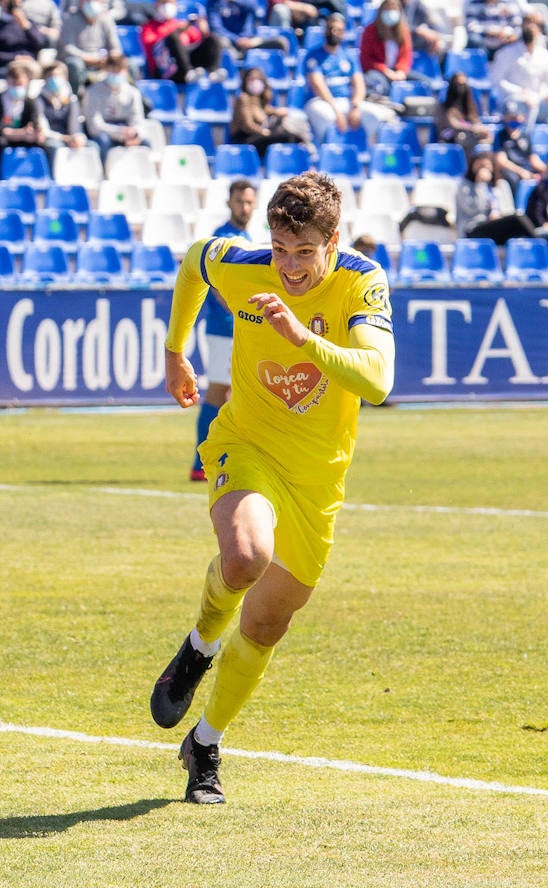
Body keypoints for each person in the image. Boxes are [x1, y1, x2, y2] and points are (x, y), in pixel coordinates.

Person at [153, 170, 395, 804]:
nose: (288, 266)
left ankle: (204, 742)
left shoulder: (362, 281)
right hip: (247, 445)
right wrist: (177, 350)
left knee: (265, 624)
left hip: (319, 479)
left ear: (333, 241)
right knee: (246, 555)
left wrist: (304, 338)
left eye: (305, 252)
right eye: (281, 249)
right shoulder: (240, 263)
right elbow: (193, 262)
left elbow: (377, 381)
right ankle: (199, 643)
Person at [188, 178, 255, 482]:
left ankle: (218, 457)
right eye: (240, 201)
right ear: (229, 203)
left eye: (249, 202)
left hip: (236, 328)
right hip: (223, 328)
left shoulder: (246, 235)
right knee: (218, 392)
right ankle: (200, 462)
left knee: (229, 393)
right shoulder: (223, 238)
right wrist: (242, 312)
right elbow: (219, 288)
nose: (245, 207)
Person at [302, 13, 394, 145]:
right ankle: (328, 155)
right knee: (327, 117)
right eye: (331, 29)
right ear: (325, 30)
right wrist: (336, 111)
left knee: (375, 116)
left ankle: (370, 154)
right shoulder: (314, 56)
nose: (334, 33)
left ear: (344, 33)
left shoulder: (348, 56)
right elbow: (318, 86)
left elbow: (359, 84)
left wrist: (355, 106)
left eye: (339, 30)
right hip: (322, 102)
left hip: (347, 101)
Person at [489, 17, 548, 127]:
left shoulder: (545, 55)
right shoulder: (506, 53)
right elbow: (497, 80)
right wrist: (520, 92)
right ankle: (527, 140)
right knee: (529, 106)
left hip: (538, 100)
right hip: (513, 101)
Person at [0, 57, 46, 166]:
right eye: (14, 84)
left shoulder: (30, 103)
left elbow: (34, 124)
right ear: (7, 82)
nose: (17, 88)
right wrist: (20, 134)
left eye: (20, 85)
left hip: (22, 140)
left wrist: (36, 133)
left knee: (41, 147)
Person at [229, 66, 311, 157]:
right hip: (246, 141)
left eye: (258, 79)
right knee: (289, 138)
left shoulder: (259, 101)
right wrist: (263, 132)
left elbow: (269, 110)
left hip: (258, 137)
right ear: (245, 82)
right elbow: (247, 125)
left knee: (293, 135)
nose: (255, 82)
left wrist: (279, 112)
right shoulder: (243, 98)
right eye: (251, 79)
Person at [84, 51, 150, 160]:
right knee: (103, 141)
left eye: (118, 71)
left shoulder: (133, 92)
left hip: (127, 132)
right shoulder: (93, 92)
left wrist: (134, 134)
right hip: (106, 132)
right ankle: (104, 173)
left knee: (145, 143)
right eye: (112, 70)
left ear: (125, 71)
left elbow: (138, 120)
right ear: (105, 70)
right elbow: (94, 127)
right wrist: (120, 132)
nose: (115, 74)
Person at [141, 0, 225, 85]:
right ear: (156, 5)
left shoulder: (181, 24)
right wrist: (175, 31)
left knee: (212, 39)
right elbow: (151, 46)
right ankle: (187, 72)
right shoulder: (149, 27)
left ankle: (213, 72)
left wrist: (203, 31)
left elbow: (197, 42)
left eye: (170, 3)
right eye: (164, 2)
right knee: (173, 37)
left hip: (191, 64)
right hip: (167, 69)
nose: (167, 6)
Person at [360, 0, 423, 100]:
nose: (391, 12)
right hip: (378, 71)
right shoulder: (370, 31)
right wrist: (385, 70)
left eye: (394, 10)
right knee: (380, 86)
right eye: (388, 9)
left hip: (397, 71)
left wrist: (401, 71)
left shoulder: (403, 31)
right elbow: (365, 59)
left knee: (425, 83)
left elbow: (406, 55)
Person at [57, 0, 122, 92]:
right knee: (75, 65)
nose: (91, 2)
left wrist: (108, 59)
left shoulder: (106, 19)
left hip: (102, 63)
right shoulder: (69, 18)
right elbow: (68, 48)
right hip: (80, 62)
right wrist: (91, 58)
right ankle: (75, 99)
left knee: (127, 65)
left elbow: (115, 48)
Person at [434, 70, 494, 159]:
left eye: (463, 85)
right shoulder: (444, 106)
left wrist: (484, 131)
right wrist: (473, 128)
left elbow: (476, 121)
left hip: (469, 136)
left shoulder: (469, 106)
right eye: (457, 84)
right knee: (462, 137)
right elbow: (454, 125)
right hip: (450, 138)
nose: (460, 88)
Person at [492, 99, 544, 197]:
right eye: (511, 117)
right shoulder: (500, 136)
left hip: (525, 168)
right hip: (510, 171)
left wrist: (546, 169)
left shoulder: (525, 135)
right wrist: (521, 172)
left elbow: (533, 159)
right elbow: (501, 161)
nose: (514, 120)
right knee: (514, 179)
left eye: (516, 117)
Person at [0, 0, 51, 74]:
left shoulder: (30, 23)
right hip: (8, 65)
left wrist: (26, 26)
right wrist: (14, 57)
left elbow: (40, 44)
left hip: (30, 63)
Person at [40, 60, 89, 154]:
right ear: (45, 78)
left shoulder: (71, 98)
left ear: (65, 78)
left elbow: (75, 126)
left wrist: (77, 138)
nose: (54, 79)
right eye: (51, 76)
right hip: (52, 139)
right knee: (55, 146)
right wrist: (64, 138)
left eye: (58, 75)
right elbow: (44, 130)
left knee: (91, 146)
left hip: (70, 139)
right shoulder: (39, 99)